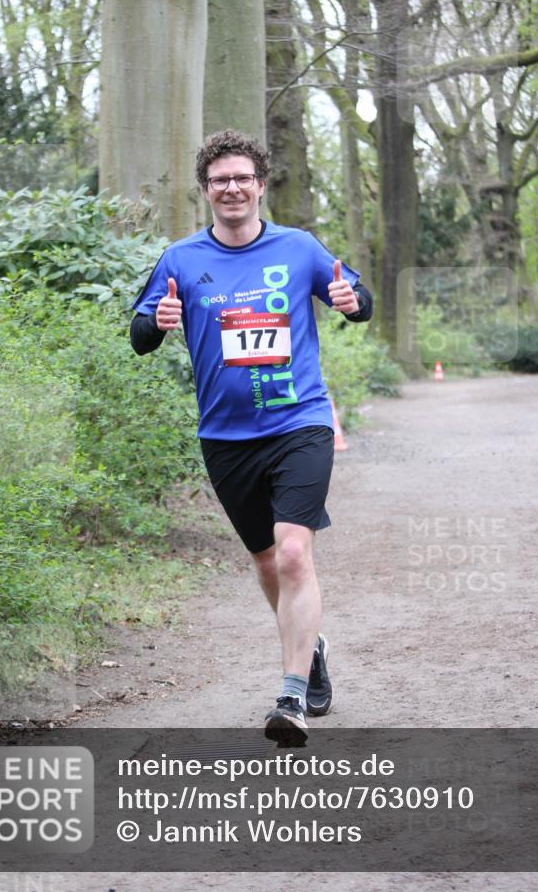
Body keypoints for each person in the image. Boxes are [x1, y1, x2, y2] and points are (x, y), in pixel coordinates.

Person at [130, 129, 372, 744]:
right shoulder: (181, 259)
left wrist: (352, 301)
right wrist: (157, 323)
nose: (232, 188)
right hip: (226, 435)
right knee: (266, 560)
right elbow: (139, 334)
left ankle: (290, 696)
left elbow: (358, 296)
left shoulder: (299, 247)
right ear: (206, 190)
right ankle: (310, 649)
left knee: (293, 553)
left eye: (242, 178)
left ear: (260, 185)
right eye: (220, 180)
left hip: (300, 422)